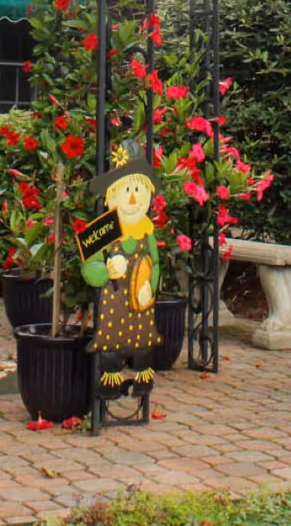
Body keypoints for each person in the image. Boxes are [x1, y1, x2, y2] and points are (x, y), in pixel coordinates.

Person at [80, 144, 162, 397]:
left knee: (142, 344)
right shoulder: (105, 228)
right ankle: (110, 383)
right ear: (111, 196)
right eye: (127, 191)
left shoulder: (146, 230)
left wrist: (152, 285)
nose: (134, 199)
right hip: (114, 303)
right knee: (112, 343)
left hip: (140, 301)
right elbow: (88, 266)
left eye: (139, 190)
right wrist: (105, 271)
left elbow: (155, 263)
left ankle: (142, 379)